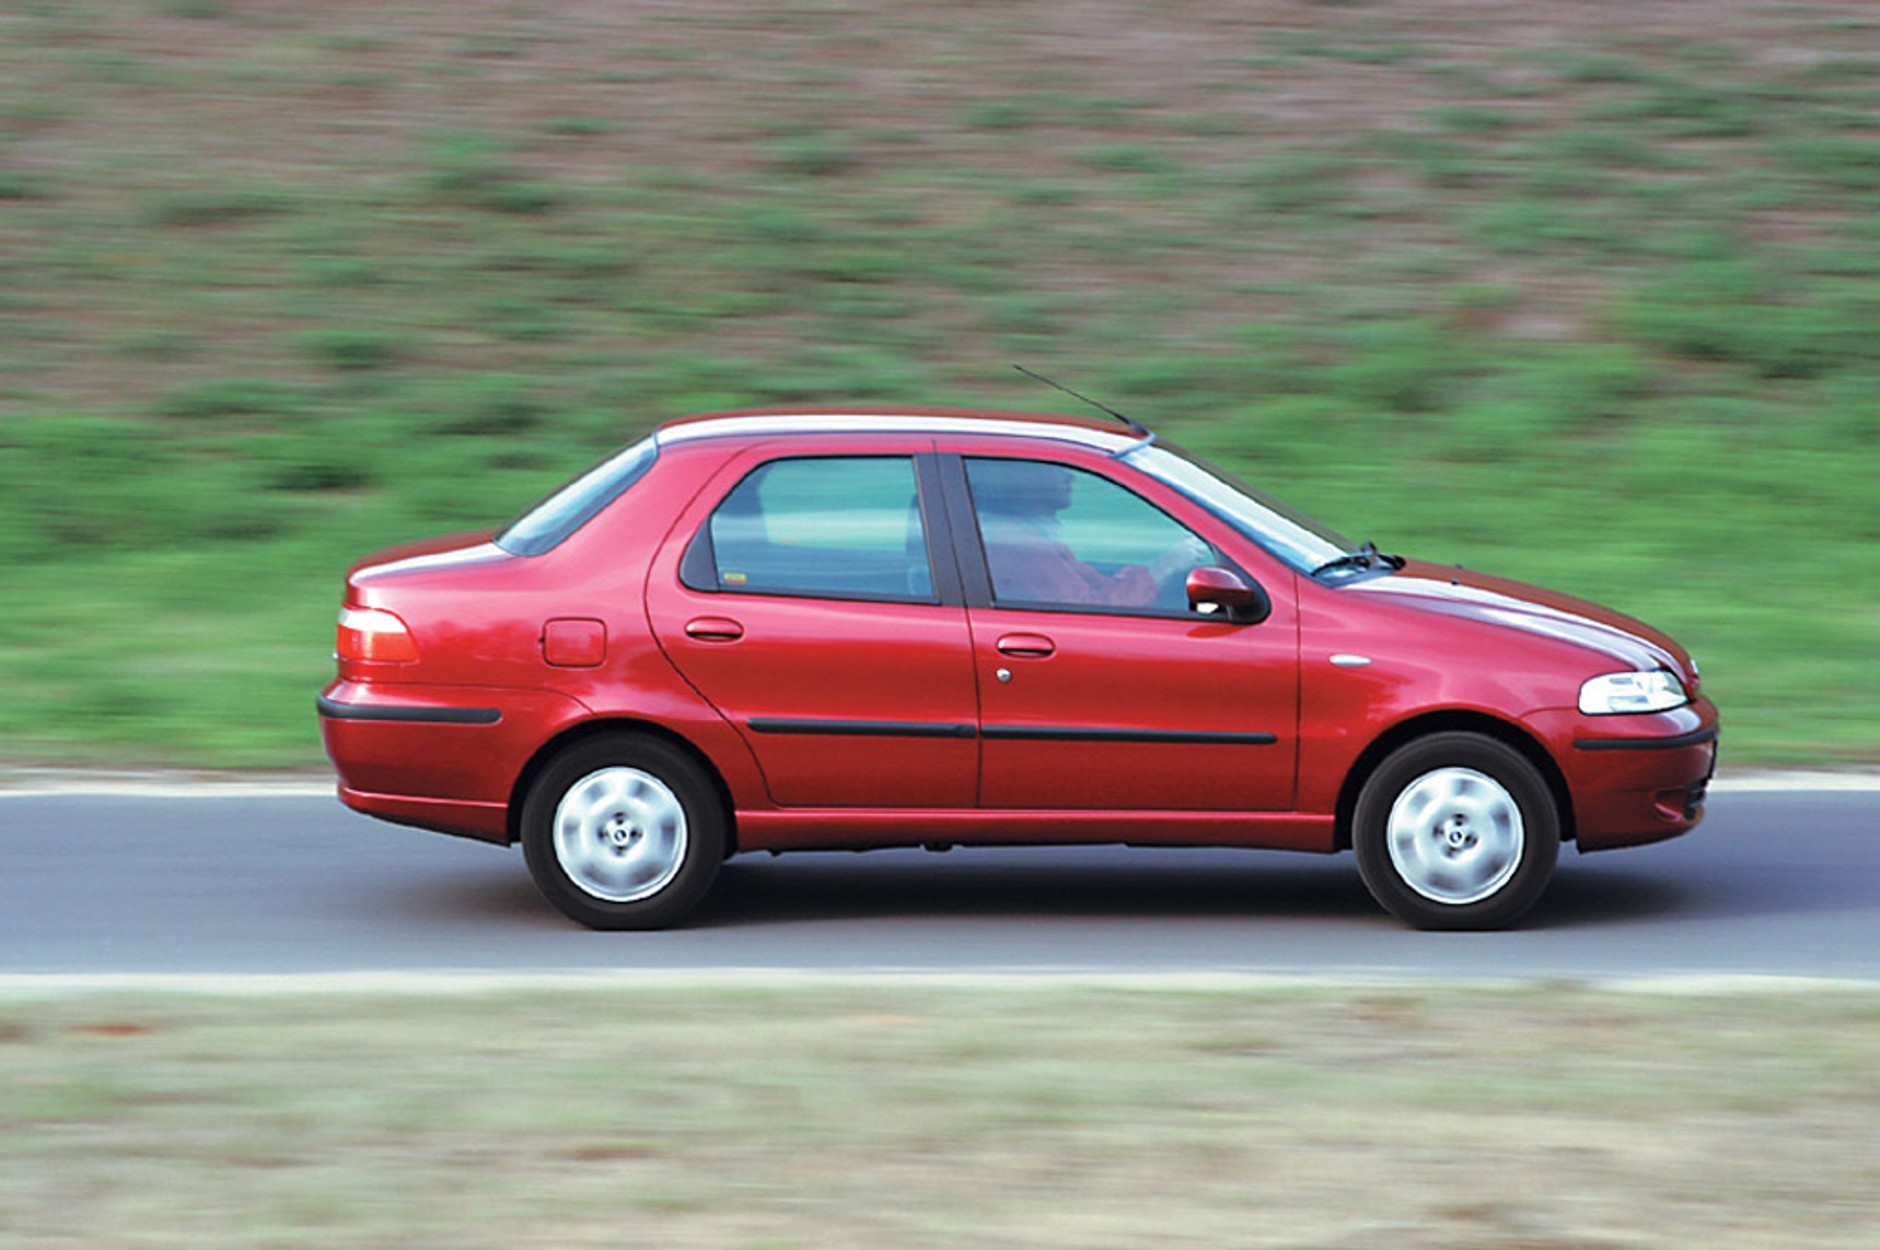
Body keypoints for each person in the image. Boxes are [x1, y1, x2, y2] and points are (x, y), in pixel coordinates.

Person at [969, 460, 1207, 609]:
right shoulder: (1022, 545)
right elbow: (1094, 609)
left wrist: (1158, 573)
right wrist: (1166, 568)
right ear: (1027, 480)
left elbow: (1095, 584)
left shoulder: (1032, 534)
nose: (1069, 476)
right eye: (1056, 469)